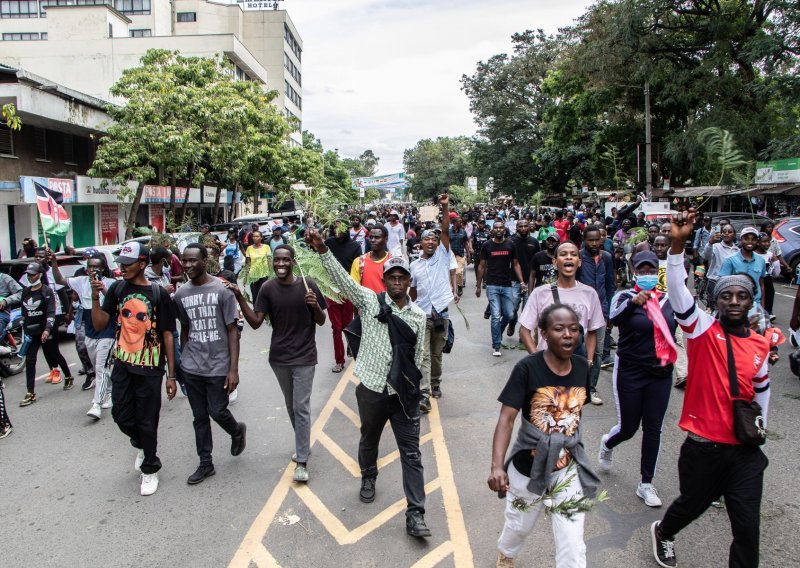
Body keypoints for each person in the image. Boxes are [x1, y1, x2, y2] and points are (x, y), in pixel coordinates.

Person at [649, 210, 771, 568]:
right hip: (704, 449)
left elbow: (761, 395)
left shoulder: (761, 346)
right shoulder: (701, 330)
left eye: (741, 296)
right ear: (715, 302)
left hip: (745, 454)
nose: (734, 301)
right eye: (726, 296)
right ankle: (664, 531)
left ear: (751, 304)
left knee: (748, 530)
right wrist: (678, 244)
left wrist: (759, 428)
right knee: (691, 505)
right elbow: (676, 287)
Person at [308, 228, 432, 539]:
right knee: (369, 439)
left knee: (412, 454)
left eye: (403, 278)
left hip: (403, 394)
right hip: (373, 389)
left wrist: (420, 391)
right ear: (386, 280)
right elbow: (344, 281)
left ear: (408, 282)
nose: (397, 282)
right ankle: (368, 475)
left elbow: (420, 358)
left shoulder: (418, 317)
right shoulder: (370, 302)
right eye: (392, 277)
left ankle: (416, 513)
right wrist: (323, 249)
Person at [489, 303, 599, 568]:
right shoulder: (527, 368)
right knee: (519, 525)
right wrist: (496, 466)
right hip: (528, 469)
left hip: (567, 468)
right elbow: (507, 418)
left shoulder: (583, 368)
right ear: (544, 334)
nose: (568, 335)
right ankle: (507, 552)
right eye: (559, 329)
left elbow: (573, 416)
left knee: (573, 543)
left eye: (574, 329)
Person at [230, 244, 326, 483]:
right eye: (277, 260)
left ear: (293, 262)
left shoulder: (309, 285)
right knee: (292, 406)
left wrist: (314, 305)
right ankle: (303, 443)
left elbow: (322, 321)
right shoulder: (268, 288)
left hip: (305, 357)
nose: (281, 264)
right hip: (280, 358)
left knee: (301, 407)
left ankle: (302, 461)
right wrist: (240, 297)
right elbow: (255, 322)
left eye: (285, 260)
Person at [91, 242, 178, 496]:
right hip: (122, 364)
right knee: (121, 414)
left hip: (150, 367)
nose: (123, 269)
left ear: (142, 264)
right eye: (120, 265)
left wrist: (171, 375)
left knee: (147, 420)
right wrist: (96, 296)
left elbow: (168, 334)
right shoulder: (117, 289)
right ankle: (142, 443)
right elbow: (99, 325)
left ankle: (150, 468)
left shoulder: (158, 294)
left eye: (127, 265)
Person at [598, 251, 676, 508]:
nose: (646, 275)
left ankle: (646, 483)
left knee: (653, 427)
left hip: (660, 373)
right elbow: (613, 320)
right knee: (629, 427)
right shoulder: (625, 296)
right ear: (634, 272)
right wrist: (634, 303)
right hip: (630, 370)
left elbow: (692, 324)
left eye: (650, 270)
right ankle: (608, 442)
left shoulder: (669, 300)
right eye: (641, 271)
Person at [174, 244, 246, 485]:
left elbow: (232, 331)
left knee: (217, 411)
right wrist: (183, 359)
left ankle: (237, 431)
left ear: (205, 261)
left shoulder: (222, 291)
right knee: (199, 416)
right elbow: (185, 328)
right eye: (185, 261)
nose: (188, 265)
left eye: (193, 260)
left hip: (218, 365)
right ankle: (206, 463)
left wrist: (233, 369)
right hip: (192, 365)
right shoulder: (181, 294)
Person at [519, 240, 605, 403]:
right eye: (563, 254)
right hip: (546, 367)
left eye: (573, 255)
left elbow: (592, 331)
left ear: (579, 263)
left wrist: (589, 361)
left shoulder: (590, 294)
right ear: (555, 261)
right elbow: (524, 330)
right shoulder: (540, 293)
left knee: (572, 416)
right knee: (546, 414)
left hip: (575, 368)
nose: (569, 257)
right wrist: (536, 359)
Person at [52, 252, 117, 420]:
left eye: (96, 266)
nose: (93, 269)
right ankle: (109, 392)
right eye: (90, 266)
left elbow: (118, 302)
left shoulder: (111, 283)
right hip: (90, 332)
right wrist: (53, 262)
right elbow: (60, 280)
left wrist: (102, 288)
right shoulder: (80, 282)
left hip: (108, 332)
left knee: (101, 367)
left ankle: (96, 404)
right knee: (97, 367)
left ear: (103, 268)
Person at [410, 194, 453, 413]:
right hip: (423, 314)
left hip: (441, 314)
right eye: (426, 238)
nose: (430, 241)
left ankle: (436, 382)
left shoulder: (443, 256)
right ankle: (424, 394)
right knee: (424, 355)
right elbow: (413, 291)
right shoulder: (415, 266)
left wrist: (444, 207)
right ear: (421, 243)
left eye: (433, 239)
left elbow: (445, 229)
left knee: (436, 354)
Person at [18, 262, 74, 407]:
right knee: (30, 360)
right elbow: (24, 312)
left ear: (40, 274)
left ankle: (68, 376)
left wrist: (47, 329)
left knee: (54, 353)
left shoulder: (46, 291)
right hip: (32, 331)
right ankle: (30, 392)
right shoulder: (26, 291)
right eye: (28, 275)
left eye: (33, 275)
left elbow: (51, 312)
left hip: (46, 330)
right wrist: (24, 329)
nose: (30, 277)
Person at [476, 220, 527, 357]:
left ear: (504, 230)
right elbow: (481, 266)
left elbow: (515, 264)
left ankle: (498, 330)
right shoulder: (487, 245)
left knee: (510, 314)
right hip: (492, 285)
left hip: (507, 285)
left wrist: (522, 281)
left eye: (501, 228)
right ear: (493, 230)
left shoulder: (510, 244)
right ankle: (496, 345)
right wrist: (478, 285)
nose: (499, 230)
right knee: (496, 315)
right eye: (496, 228)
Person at [577, 225, 616, 390]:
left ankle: (591, 387)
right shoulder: (578, 257)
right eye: (590, 240)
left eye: (597, 239)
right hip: (579, 311)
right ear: (584, 240)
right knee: (579, 349)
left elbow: (610, 286)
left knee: (598, 351)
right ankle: (577, 383)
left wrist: (610, 313)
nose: (594, 243)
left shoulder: (606, 257)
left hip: (601, 310)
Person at [325, 220, 362, 373]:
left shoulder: (355, 246)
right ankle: (339, 360)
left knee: (348, 326)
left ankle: (353, 353)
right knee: (336, 327)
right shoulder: (328, 243)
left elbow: (359, 268)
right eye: (335, 227)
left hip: (347, 290)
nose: (338, 230)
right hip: (331, 290)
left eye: (341, 227)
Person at [507, 219, 540, 337]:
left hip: (530, 281)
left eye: (526, 226)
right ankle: (512, 323)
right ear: (517, 228)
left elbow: (538, 261)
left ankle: (523, 335)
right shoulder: (511, 241)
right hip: (514, 281)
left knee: (527, 311)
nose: (524, 228)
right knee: (513, 308)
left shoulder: (534, 242)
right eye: (521, 226)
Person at [718, 227, 766, 307]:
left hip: (755, 304)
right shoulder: (729, 260)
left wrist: (762, 307)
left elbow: (761, 285)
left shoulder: (761, 260)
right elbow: (722, 285)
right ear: (741, 240)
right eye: (746, 239)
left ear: (757, 242)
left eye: (753, 239)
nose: (750, 242)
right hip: (735, 304)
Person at [701, 223, 738, 306]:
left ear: (734, 234)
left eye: (729, 232)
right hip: (715, 282)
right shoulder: (715, 247)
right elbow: (705, 256)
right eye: (724, 231)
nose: (726, 233)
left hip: (730, 284)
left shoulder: (737, 250)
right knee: (713, 309)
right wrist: (710, 243)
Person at [350, 225, 392, 293]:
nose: (372, 240)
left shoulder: (392, 262)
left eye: (377, 237)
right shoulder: (359, 262)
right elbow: (355, 290)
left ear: (386, 239)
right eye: (371, 237)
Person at [244, 230, 271, 302]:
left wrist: (271, 273)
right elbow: (248, 263)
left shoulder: (266, 247)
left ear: (261, 238)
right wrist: (246, 275)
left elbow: (269, 261)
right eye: (253, 236)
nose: (255, 238)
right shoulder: (249, 248)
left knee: (262, 294)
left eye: (257, 236)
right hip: (253, 276)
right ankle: (255, 311)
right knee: (255, 295)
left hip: (264, 275)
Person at [449, 216, 469, 296]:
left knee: (459, 272)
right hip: (451, 255)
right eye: (459, 222)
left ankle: (460, 286)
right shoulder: (449, 232)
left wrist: (468, 254)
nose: (461, 223)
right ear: (454, 223)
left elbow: (465, 243)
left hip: (460, 254)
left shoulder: (463, 232)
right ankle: (453, 288)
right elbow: (447, 243)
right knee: (452, 272)